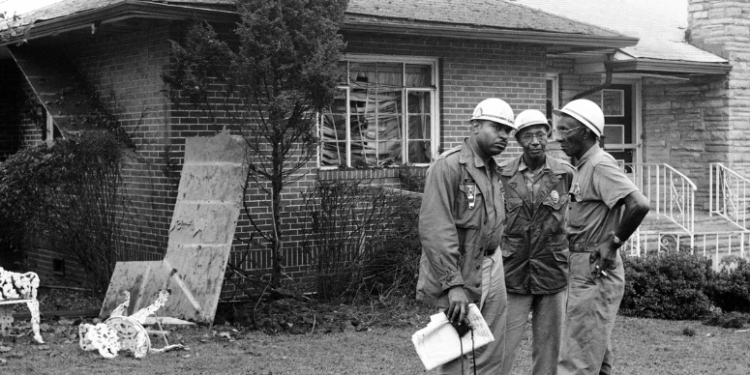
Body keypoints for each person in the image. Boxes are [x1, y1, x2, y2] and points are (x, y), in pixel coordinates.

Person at [417, 98, 516, 374]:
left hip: (491, 264)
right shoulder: (449, 166)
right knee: (456, 352)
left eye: (507, 130)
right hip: (460, 268)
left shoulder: (494, 169)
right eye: (496, 127)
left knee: (490, 349)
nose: (504, 136)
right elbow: (435, 229)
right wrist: (453, 285)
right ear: (475, 126)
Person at [553, 99, 650, 375]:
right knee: (594, 355)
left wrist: (612, 242)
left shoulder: (598, 164)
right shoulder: (583, 166)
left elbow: (639, 204)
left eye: (566, 130)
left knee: (576, 361)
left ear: (586, 131)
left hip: (594, 268)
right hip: (582, 265)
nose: (559, 137)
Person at [498, 109, 575, 375]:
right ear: (518, 139)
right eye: (528, 135)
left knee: (549, 351)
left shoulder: (566, 174)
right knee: (501, 346)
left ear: (548, 137)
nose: (535, 141)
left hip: (553, 270)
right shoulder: (502, 175)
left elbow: (580, 215)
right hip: (512, 271)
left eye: (541, 135)